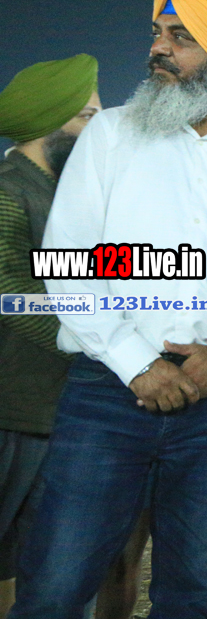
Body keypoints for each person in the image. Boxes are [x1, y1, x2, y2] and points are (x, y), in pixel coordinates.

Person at [11, 0, 207, 619]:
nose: (158, 49)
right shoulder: (111, 135)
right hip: (108, 393)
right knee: (55, 586)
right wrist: (136, 364)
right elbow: (71, 262)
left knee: (192, 591)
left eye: (181, 38)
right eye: (157, 33)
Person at [0, 55, 101, 617]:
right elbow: (9, 290)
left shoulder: (63, 195)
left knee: (48, 566)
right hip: (12, 410)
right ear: (48, 124)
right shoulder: (8, 191)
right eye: (87, 117)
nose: (99, 131)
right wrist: (95, 341)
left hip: (59, 412)